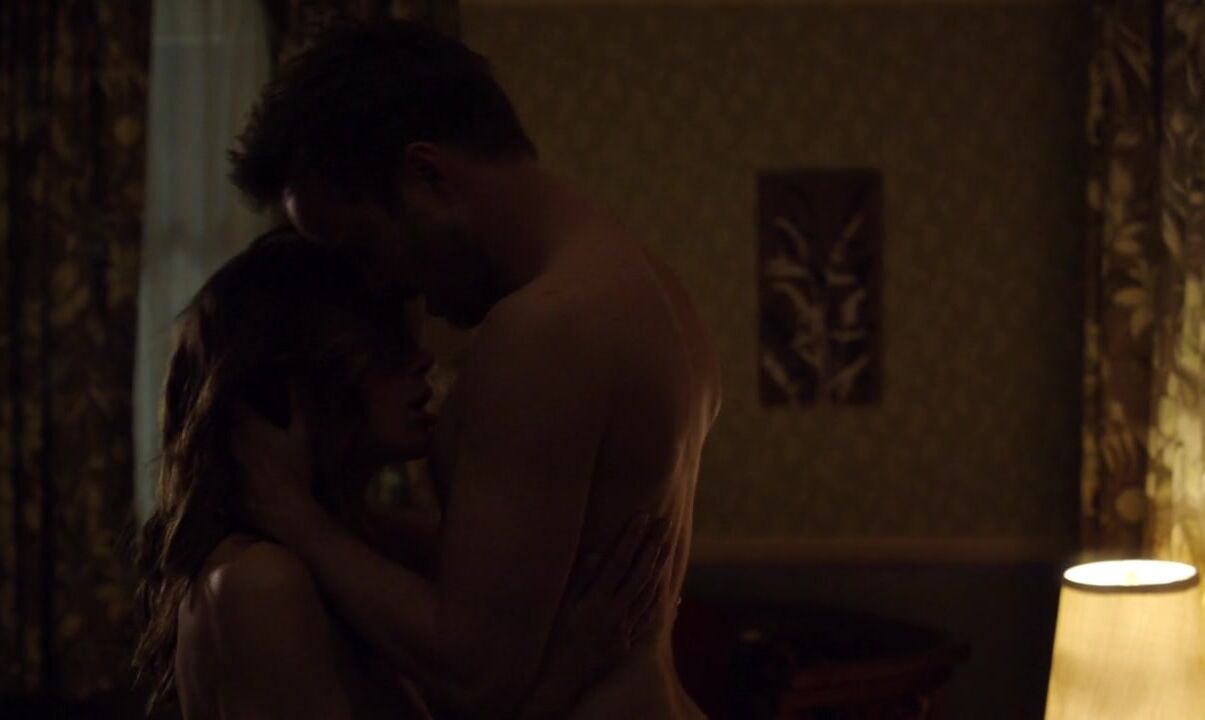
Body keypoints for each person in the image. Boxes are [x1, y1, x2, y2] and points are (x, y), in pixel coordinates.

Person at [229, 20, 721, 719]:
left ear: (428, 177)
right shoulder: (649, 289)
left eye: (365, 248)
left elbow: (472, 674)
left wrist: (295, 518)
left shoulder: (544, 332)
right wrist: (359, 521)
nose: (378, 286)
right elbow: (530, 562)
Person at [133, 233, 671, 719]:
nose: (423, 360)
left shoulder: (346, 549)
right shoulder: (260, 583)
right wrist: (573, 667)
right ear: (297, 375)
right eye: (386, 340)